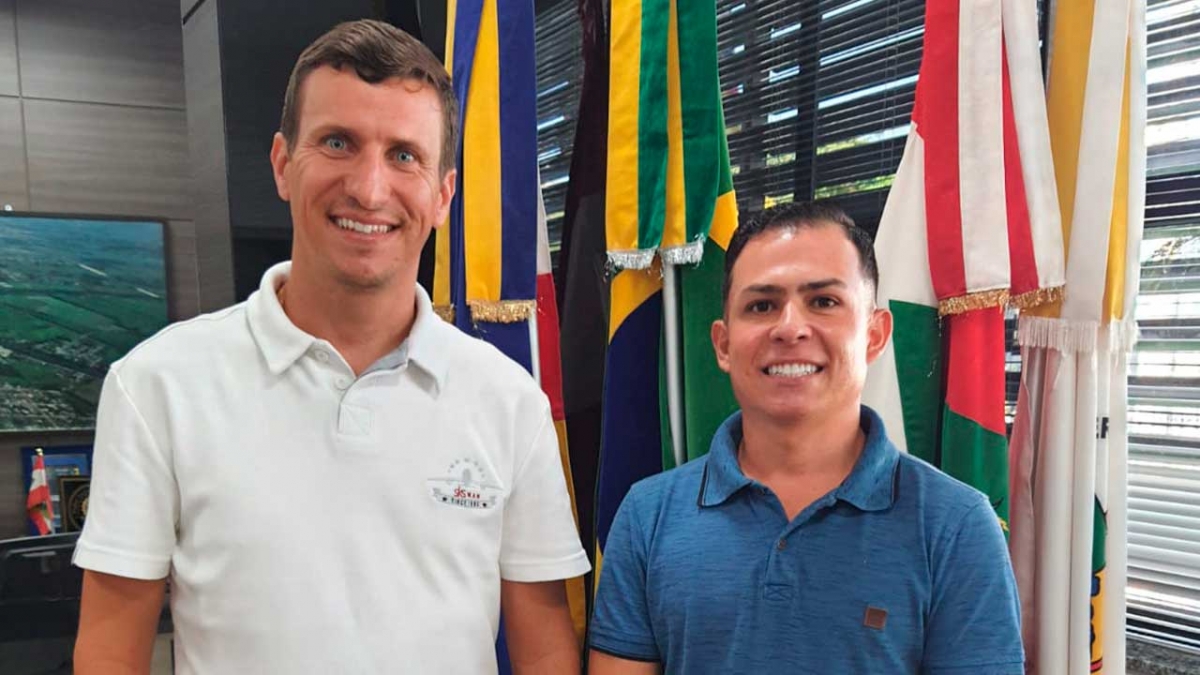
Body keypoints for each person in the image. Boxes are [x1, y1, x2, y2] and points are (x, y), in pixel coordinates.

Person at [72, 20, 589, 674]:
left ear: (443, 195)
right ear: (283, 165)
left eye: (405, 155)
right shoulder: (156, 386)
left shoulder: (509, 402)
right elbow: (110, 654)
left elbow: (544, 654)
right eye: (338, 142)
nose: (369, 189)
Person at [587, 201, 1023, 674]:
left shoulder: (956, 525)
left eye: (823, 302)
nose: (790, 328)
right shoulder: (648, 516)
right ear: (723, 345)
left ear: (875, 335)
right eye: (762, 305)